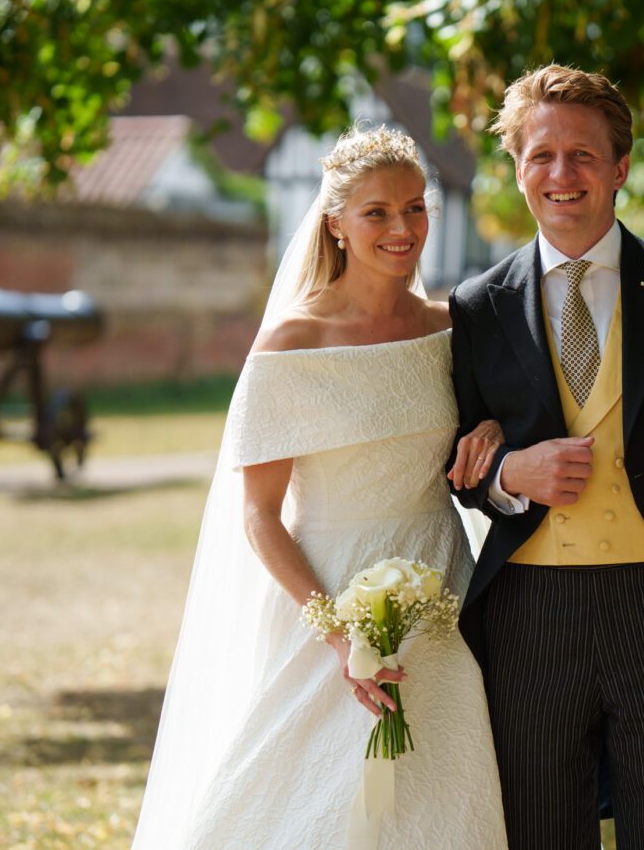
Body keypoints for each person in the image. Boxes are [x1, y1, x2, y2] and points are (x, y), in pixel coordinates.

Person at [131, 126, 508, 849]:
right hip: (330, 596)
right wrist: (338, 635)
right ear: (335, 222)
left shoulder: (453, 329)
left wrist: (490, 430)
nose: (402, 229)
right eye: (377, 212)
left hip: (445, 590)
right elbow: (261, 517)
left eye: (416, 208)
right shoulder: (291, 346)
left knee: (442, 796)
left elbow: (486, 432)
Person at [448, 65, 644, 849]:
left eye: (583, 155)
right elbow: (458, 464)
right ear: (518, 169)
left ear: (620, 167)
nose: (562, 174)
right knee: (539, 834)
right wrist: (504, 476)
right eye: (542, 156)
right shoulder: (476, 306)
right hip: (530, 617)